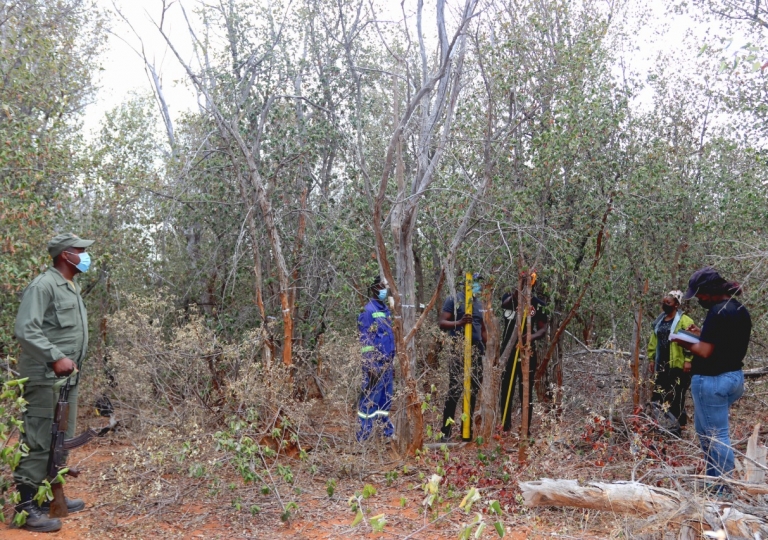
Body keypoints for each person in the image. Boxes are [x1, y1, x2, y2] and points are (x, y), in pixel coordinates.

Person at [13, 233, 94, 532]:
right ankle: (25, 508)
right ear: (64, 255)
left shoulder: (71, 287)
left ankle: (47, 498)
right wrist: (53, 357)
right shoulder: (43, 285)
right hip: (45, 376)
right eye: (80, 250)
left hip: (67, 379)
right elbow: (25, 329)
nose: (85, 255)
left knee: (61, 440)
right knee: (39, 440)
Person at [673, 268, 751, 483]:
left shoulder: (717, 311)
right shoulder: (739, 309)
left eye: (700, 294)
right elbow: (722, 342)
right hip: (733, 377)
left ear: (709, 290)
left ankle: (723, 488)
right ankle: (713, 483)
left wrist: (681, 339)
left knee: (716, 437)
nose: (699, 299)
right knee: (706, 433)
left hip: (713, 381)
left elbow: (706, 351)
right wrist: (699, 335)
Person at [439, 273, 487, 441]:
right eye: (475, 283)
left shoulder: (479, 304)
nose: (477, 287)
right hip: (458, 350)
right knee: (455, 390)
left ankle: (466, 431)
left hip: (476, 351)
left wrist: (487, 350)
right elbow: (442, 323)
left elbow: (482, 329)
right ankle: (445, 432)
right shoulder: (454, 299)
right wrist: (459, 323)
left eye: (478, 284)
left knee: (473, 391)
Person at [498, 287, 547, 434]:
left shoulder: (539, 304)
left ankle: (525, 428)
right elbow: (504, 304)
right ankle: (505, 426)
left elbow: (543, 329)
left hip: (527, 353)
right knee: (506, 388)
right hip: (508, 352)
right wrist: (516, 295)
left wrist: (531, 337)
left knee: (525, 389)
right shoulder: (509, 298)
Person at [646, 290, 694, 431]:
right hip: (662, 363)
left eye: (668, 302)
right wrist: (651, 358)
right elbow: (653, 340)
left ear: (676, 305)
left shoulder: (685, 321)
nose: (665, 305)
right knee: (659, 393)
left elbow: (691, 341)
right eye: (664, 302)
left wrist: (688, 359)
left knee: (677, 394)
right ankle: (663, 424)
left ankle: (679, 425)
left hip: (677, 364)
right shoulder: (659, 321)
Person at [356, 276, 395, 441]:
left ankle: (386, 432)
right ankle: (363, 436)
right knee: (369, 399)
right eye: (382, 286)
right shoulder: (368, 310)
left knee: (385, 399)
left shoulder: (386, 310)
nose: (384, 290)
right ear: (374, 288)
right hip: (374, 364)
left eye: (386, 287)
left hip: (387, 363)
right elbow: (365, 339)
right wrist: (369, 362)